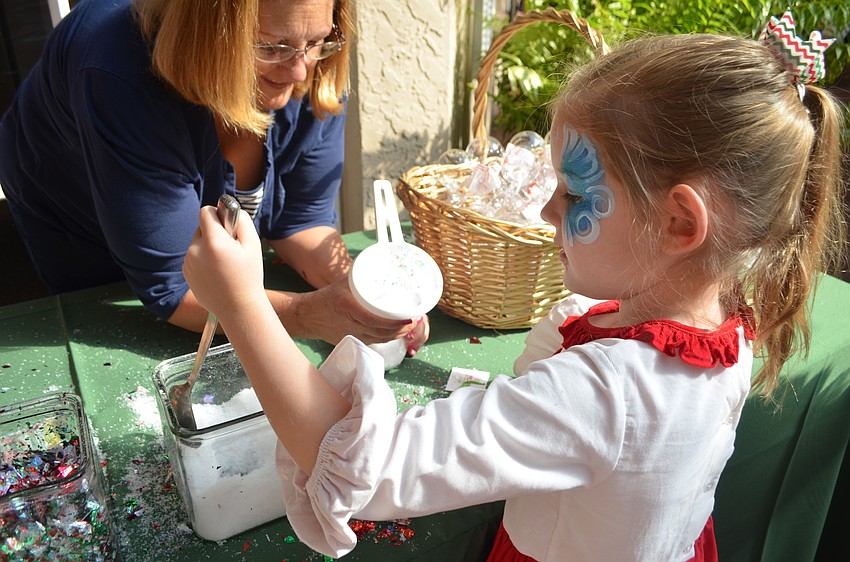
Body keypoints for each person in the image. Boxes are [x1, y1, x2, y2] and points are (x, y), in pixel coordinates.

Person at [181, 13, 846, 562]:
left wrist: (241, 304)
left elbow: (369, 467)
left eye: (575, 191)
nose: (547, 209)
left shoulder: (605, 394)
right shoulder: (728, 315)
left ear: (678, 222)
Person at [0, 0, 428, 352]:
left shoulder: (312, 68)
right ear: (207, 34)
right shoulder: (119, 73)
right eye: (272, 47)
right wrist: (311, 314)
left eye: (316, 41)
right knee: (96, 314)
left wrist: (368, 294)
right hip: (69, 199)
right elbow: (171, 287)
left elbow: (301, 220)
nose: (300, 71)